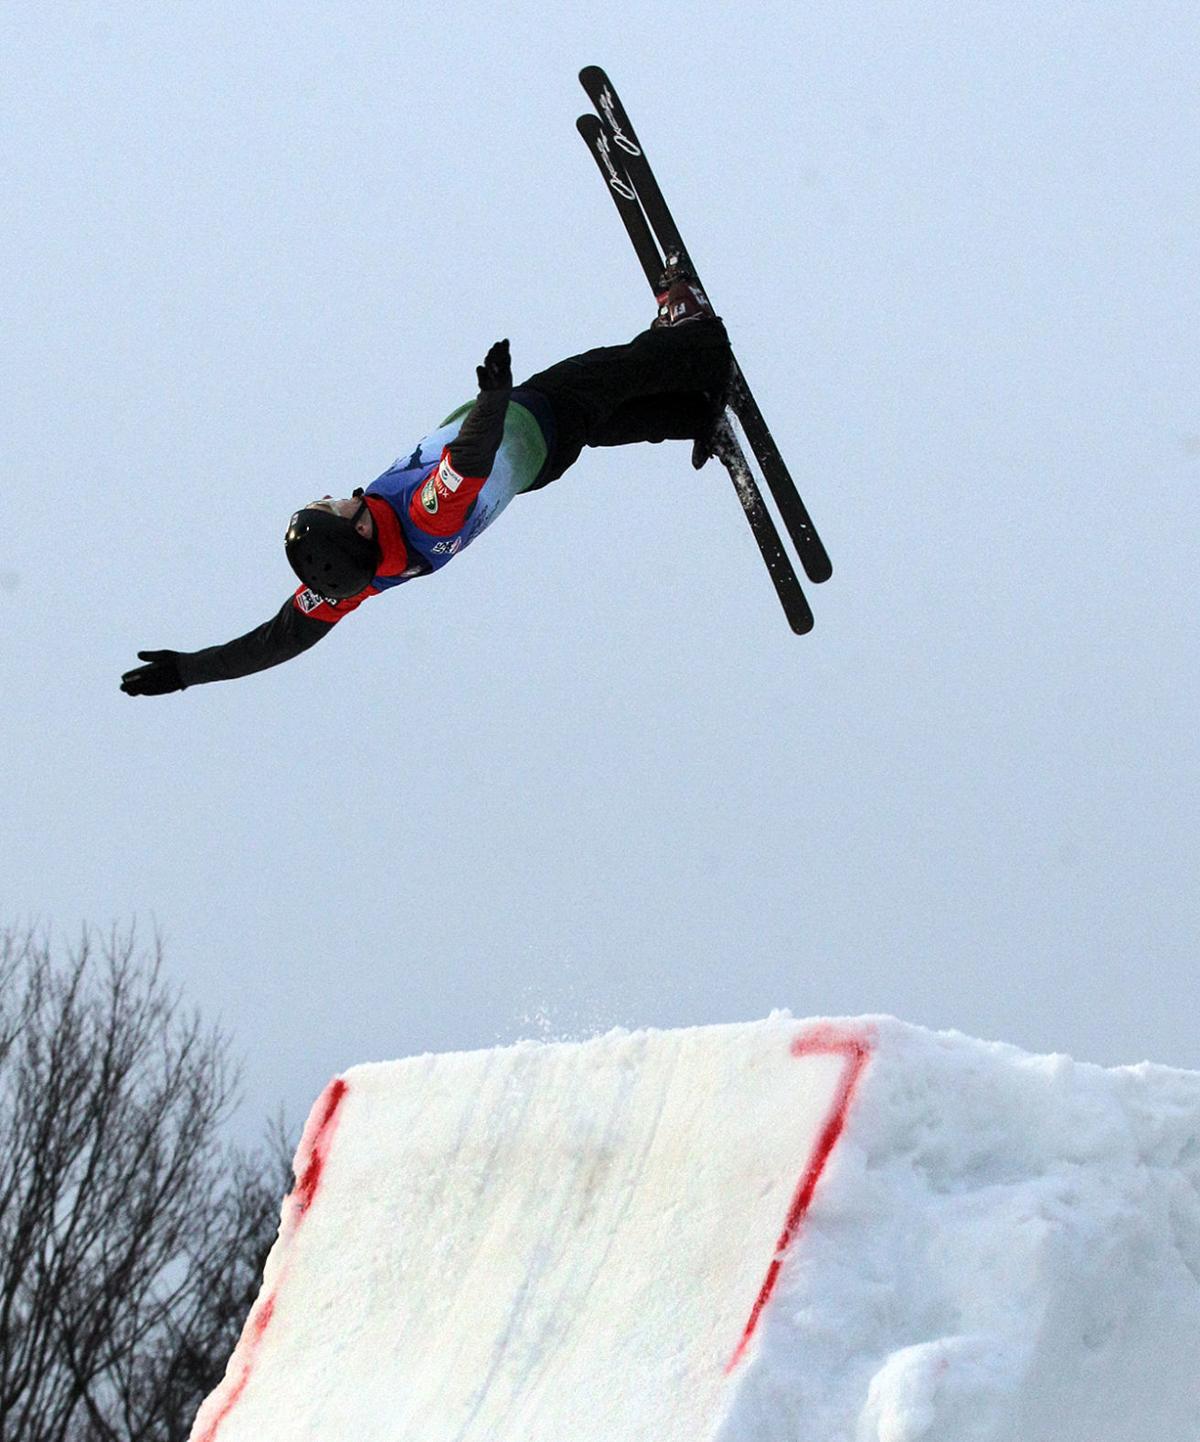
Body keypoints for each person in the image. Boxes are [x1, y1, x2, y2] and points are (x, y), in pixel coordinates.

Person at [120, 274, 732, 697]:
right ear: (354, 527)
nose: (337, 495)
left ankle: (687, 415)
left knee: (599, 421)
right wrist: (493, 399)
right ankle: (693, 337)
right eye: (333, 507)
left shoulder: (356, 580)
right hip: (528, 424)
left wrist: (188, 672)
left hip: (538, 464)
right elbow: (465, 462)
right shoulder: (423, 514)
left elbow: (275, 642)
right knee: (612, 374)